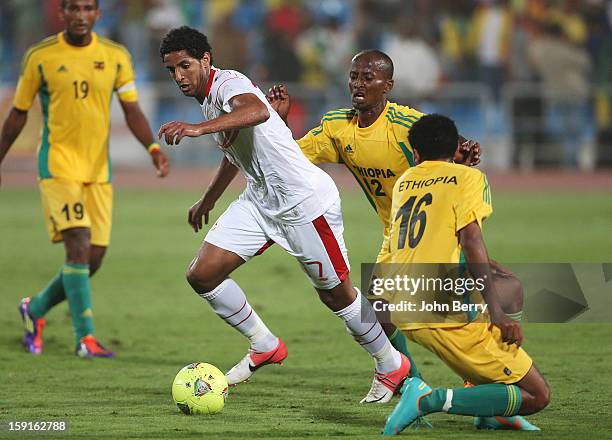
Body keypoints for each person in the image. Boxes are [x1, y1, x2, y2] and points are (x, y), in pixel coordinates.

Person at [267, 49, 528, 427]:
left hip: (437, 237)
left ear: (387, 86)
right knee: (381, 316)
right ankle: (418, 385)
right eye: (354, 76)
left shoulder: (406, 124)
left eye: (368, 78)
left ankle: (478, 392)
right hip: (398, 238)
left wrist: (464, 150)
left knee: (489, 300)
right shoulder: (337, 127)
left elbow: (450, 144)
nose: (358, 84)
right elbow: (288, 157)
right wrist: (279, 123)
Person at [157, 26, 409, 404]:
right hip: (260, 200)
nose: (179, 76)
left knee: (337, 297)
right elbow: (234, 151)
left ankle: (391, 364)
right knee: (203, 274)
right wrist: (208, 199)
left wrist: (195, 129)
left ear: (206, 61)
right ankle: (264, 344)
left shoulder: (229, 83)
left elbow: (256, 111)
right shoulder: (209, 100)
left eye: (185, 66)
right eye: (172, 70)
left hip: (305, 204)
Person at [0, 0, 169, 358]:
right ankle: (85, 338)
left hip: (98, 172)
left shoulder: (115, 55)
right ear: (61, 13)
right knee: (77, 244)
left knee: (92, 259)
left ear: (97, 14)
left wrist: (153, 148)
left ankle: (35, 310)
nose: (80, 15)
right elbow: (18, 114)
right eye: (73, 8)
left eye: (87, 8)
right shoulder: (40, 56)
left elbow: (131, 108)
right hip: (59, 165)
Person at [381, 114, 549, 435]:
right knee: (536, 395)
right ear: (456, 146)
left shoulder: (405, 181)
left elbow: (440, 205)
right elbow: (471, 240)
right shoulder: (470, 179)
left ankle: (489, 412)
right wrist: (499, 314)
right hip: (440, 308)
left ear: (415, 153)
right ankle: (427, 399)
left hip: (403, 301)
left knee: (503, 286)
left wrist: (459, 166)